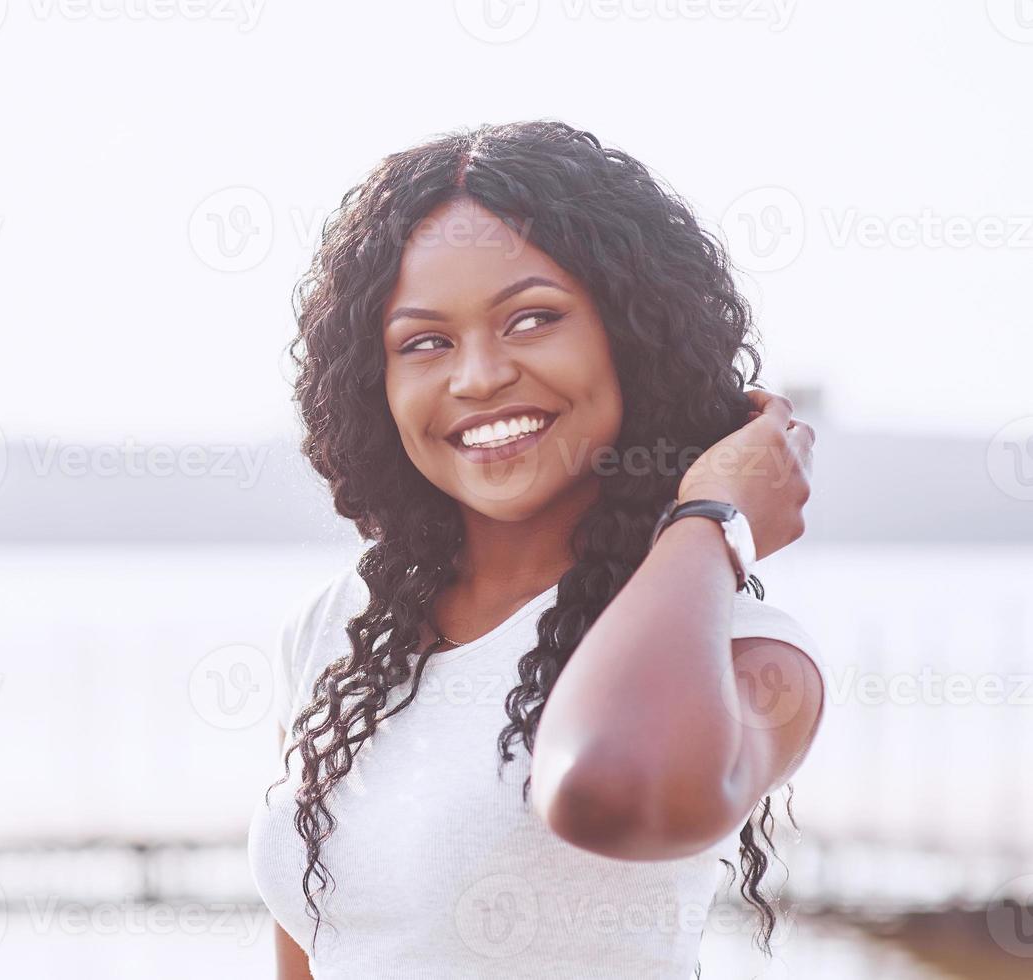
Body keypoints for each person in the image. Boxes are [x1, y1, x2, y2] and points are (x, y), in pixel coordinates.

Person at [246, 120, 826, 979]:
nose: (477, 377)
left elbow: (618, 790)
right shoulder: (343, 627)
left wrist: (711, 521)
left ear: (631, 338)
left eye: (530, 320)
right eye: (425, 342)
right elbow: (313, 947)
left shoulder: (749, 652)